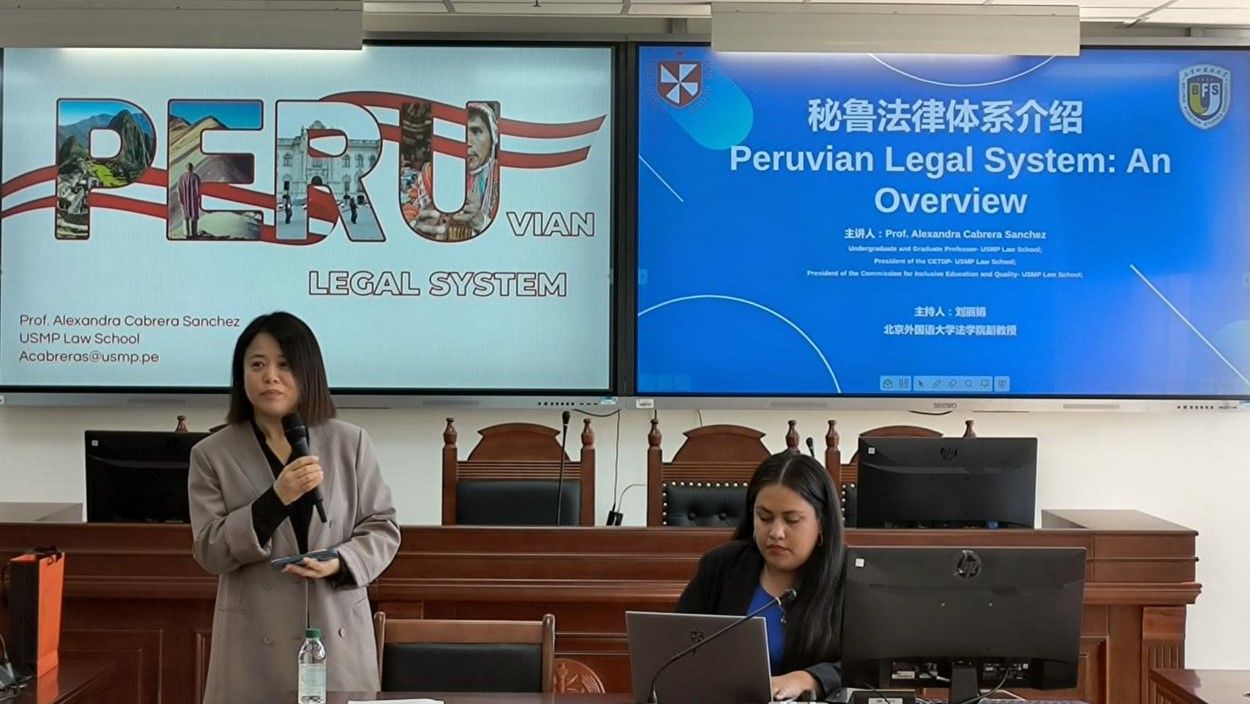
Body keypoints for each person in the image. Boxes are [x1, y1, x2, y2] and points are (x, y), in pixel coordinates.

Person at [188, 311, 400, 704]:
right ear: (241, 376)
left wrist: (340, 561)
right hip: (253, 647)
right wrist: (275, 499)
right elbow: (209, 549)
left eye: (284, 364)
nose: (270, 376)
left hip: (336, 635)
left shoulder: (350, 442)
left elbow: (382, 527)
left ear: (308, 372)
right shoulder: (211, 454)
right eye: (257, 365)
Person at [676, 452, 845, 700]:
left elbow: (873, 668)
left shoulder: (850, 577)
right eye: (764, 517)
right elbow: (676, 647)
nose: (776, 532)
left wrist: (809, 679)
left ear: (822, 522)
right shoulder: (722, 567)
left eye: (792, 520)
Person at [411, 102, 499, 241]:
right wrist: (416, 228)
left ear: (492, 138)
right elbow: (409, 211)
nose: (467, 142)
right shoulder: (431, 173)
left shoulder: (503, 177)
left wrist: (481, 222)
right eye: (460, 132)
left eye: (476, 131)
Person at [177, 161, 203, 237]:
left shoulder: (181, 177)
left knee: (185, 216)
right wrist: (199, 199)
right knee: (194, 215)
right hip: (194, 201)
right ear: (192, 168)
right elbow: (199, 190)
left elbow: (178, 189)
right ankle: (194, 232)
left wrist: (180, 199)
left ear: (186, 168)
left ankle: (186, 233)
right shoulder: (196, 177)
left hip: (184, 201)